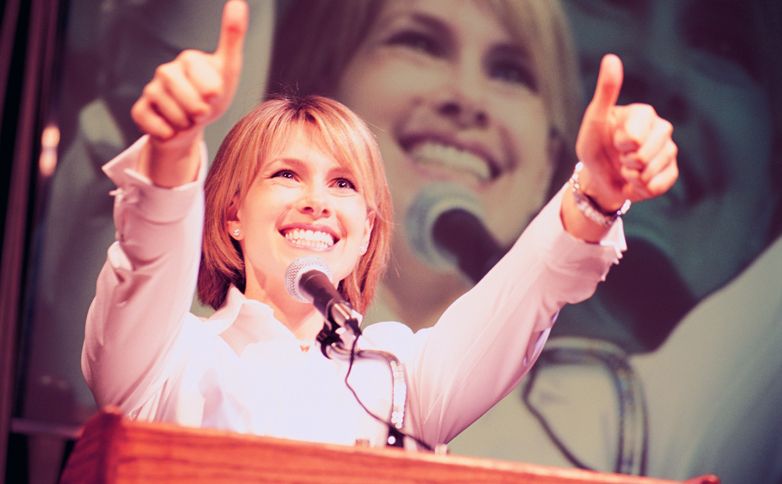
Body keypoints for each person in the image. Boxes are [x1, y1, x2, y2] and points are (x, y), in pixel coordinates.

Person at [82, 0, 678, 449]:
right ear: (232, 214)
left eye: (343, 184)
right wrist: (175, 148)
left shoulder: (400, 376)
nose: (318, 202)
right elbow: (149, 258)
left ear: (365, 232)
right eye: (287, 175)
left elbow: (525, 294)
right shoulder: (169, 356)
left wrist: (598, 191)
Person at [267, 0, 584, 329]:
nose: (468, 98)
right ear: (316, 95)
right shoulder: (217, 355)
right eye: (419, 43)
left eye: (510, 72)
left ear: (548, 165)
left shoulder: (601, 379)